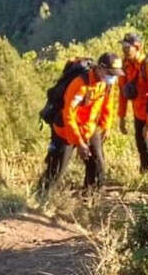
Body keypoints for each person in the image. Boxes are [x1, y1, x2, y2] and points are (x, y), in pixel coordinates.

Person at [38, 53, 124, 193]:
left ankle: (91, 199)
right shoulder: (79, 84)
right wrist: (79, 143)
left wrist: (106, 126)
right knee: (57, 170)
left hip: (89, 128)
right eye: (110, 73)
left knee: (98, 166)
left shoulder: (107, 84)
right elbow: (69, 115)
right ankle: (41, 199)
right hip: (66, 131)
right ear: (100, 69)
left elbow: (108, 105)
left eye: (115, 74)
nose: (113, 77)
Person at [118, 32, 148, 173]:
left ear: (137, 47)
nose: (124, 50)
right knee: (141, 146)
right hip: (138, 113)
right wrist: (122, 116)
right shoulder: (126, 65)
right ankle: (146, 175)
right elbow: (122, 91)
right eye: (123, 47)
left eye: (127, 47)